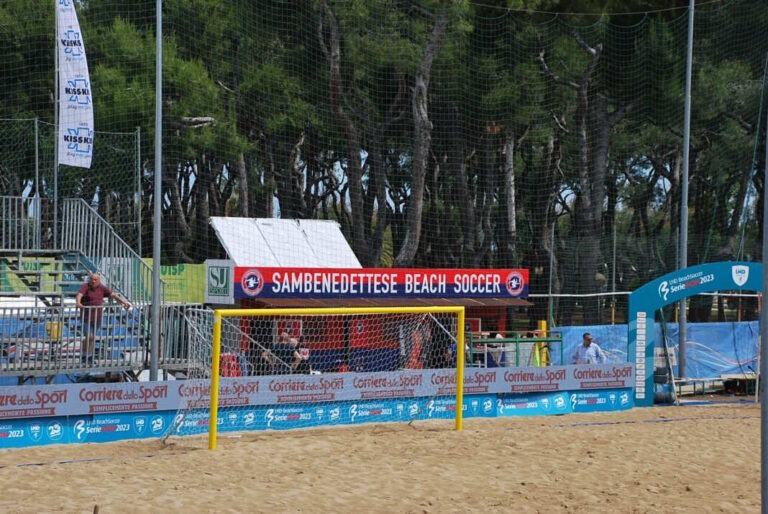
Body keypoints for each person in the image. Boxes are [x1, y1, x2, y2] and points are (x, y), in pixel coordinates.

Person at [75, 273, 131, 363]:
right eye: (91, 279)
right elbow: (79, 295)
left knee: (92, 338)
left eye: (95, 280)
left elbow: (113, 295)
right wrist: (78, 302)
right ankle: (84, 356)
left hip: (97, 317)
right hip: (86, 318)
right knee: (89, 336)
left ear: (99, 280)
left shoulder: (101, 287)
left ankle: (89, 356)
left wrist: (123, 302)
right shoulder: (86, 286)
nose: (93, 281)